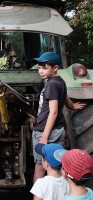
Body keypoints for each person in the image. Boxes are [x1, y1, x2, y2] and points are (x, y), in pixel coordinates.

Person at [32, 52, 86, 183]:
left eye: (45, 67)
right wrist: (72, 106)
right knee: (57, 164)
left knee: (40, 166)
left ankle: (37, 196)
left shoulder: (51, 84)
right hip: (58, 130)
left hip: (45, 131)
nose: (41, 71)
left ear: (55, 68)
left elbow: (54, 112)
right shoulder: (60, 81)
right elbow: (65, 98)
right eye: (39, 67)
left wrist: (44, 137)